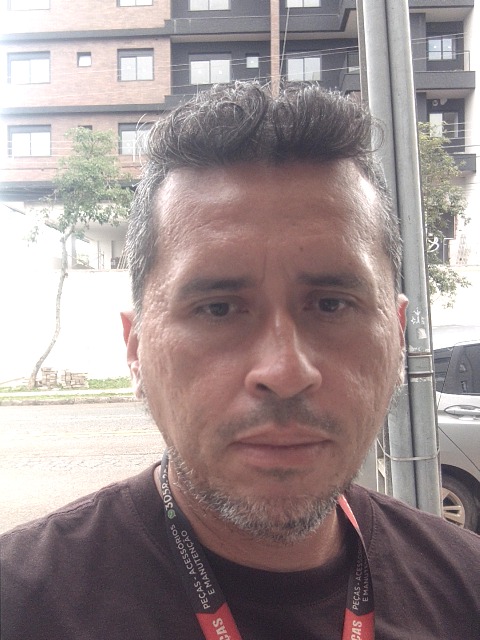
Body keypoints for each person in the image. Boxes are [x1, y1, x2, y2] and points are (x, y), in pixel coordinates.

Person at [1, 82, 479, 640]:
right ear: (136, 350)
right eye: (218, 309)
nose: (285, 372)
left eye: (331, 304)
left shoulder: (466, 587)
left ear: (396, 338)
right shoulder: (21, 605)